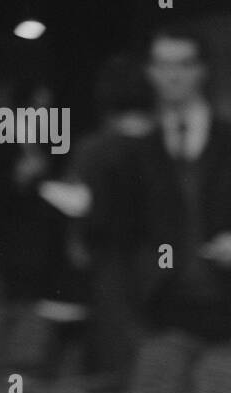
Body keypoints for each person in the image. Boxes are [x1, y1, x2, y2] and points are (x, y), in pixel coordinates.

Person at [139, 30, 231, 341]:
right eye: (164, 66)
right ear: (150, 72)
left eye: (184, 64)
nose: (173, 76)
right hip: (164, 306)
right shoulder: (141, 149)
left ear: (202, 69)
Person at [60, 56, 159, 374]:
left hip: (112, 264)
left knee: (120, 359)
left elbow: (80, 206)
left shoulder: (94, 150)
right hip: (165, 262)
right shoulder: (166, 142)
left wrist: (78, 239)